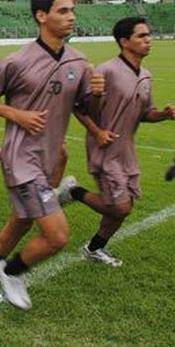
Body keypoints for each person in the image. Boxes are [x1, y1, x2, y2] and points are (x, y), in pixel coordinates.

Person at [0, 0, 104, 310]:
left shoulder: (79, 61)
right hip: (20, 159)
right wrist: (17, 114)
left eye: (73, 10)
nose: (71, 16)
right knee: (57, 236)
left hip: (47, 159)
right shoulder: (18, 61)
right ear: (41, 16)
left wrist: (97, 93)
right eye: (63, 10)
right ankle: (11, 271)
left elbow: (88, 110)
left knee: (21, 221)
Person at [61, 17, 175, 266]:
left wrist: (164, 115)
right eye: (141, 36)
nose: (148, 40)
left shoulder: (146, 75)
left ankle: (94, 249)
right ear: (124, 41)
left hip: (127, 150)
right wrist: (98, 132)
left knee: (125, 206)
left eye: (149, 35)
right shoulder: (105, 71)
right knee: (120, 207)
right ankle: (74, 192)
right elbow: (79, 107)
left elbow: (146, 113)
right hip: (104, 148)